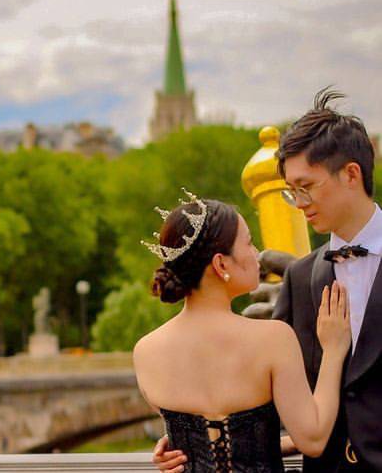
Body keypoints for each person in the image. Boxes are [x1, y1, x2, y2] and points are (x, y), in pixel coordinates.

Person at [152, 88, 382, 472]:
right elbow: (265, 398)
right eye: (292, 191)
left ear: (351, 174)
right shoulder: (301, 276)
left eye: (306, 186)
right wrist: (196, 438)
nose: (299, 202)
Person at [136, 190, 350, 471]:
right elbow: (313, 438)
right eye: (248, 244)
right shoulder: (272, 338)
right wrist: (334, 350)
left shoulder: (146, 351)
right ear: (221, 264)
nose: (256, 253)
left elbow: (214, 440)